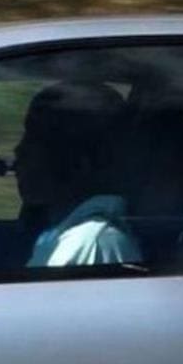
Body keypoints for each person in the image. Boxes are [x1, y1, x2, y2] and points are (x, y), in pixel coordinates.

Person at [14, 81, 142, 267]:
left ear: (82, 161)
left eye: (34, 139)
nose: (19, 150)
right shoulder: (61, 236)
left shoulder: (89, 244)